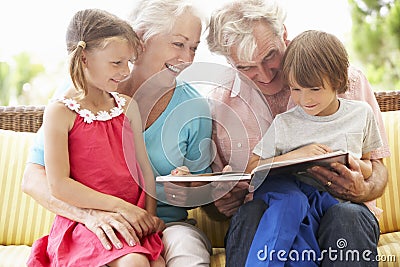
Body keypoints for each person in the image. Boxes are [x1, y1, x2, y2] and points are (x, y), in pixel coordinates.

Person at [22, 1, 214, 266]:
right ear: (141, 38)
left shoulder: (193, 108)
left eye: (194, 47)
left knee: (185, 254)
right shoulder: (78, 93)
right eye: (178, 44)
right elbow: (34, 179)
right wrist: (92, 215)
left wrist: (191, 189)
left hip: (166, 225)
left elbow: (205, 195)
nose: (188, 59)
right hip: (96, 221)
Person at [205, 0, 390, 266]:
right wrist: (218, 203)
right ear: (228, 61)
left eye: (269, 56)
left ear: (283, 33)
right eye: (245, 67)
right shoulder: (221, 107)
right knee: (253, 213)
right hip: (269, 211)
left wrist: (362, 188)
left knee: (347, 216)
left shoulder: (345, 80)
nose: (265, 76)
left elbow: (377, 168)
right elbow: (218, 203)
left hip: (341, 209)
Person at [27, 8, 165, 267]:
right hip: (87, 223)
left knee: (156, 264)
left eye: (128, 62)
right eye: (116, 63)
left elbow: (145, 170)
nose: (125, 71)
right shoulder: (60, 112)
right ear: (83, 58)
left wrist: (149, 215)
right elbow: (59, 185)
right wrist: (120, 207)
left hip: (131, 219)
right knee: (134, 263)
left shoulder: (127, 106)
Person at [244, 30, 383, 266]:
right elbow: (252, 168)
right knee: (290, 208)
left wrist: (352, 165)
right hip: (295, 200)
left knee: (343, 216)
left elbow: (370, 165)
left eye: (314, 89)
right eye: (296, 89)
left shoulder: (361, 114)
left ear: (338, 80)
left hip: (336, 201)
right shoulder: (285, 123)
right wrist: (298, 154)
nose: (304, 99)